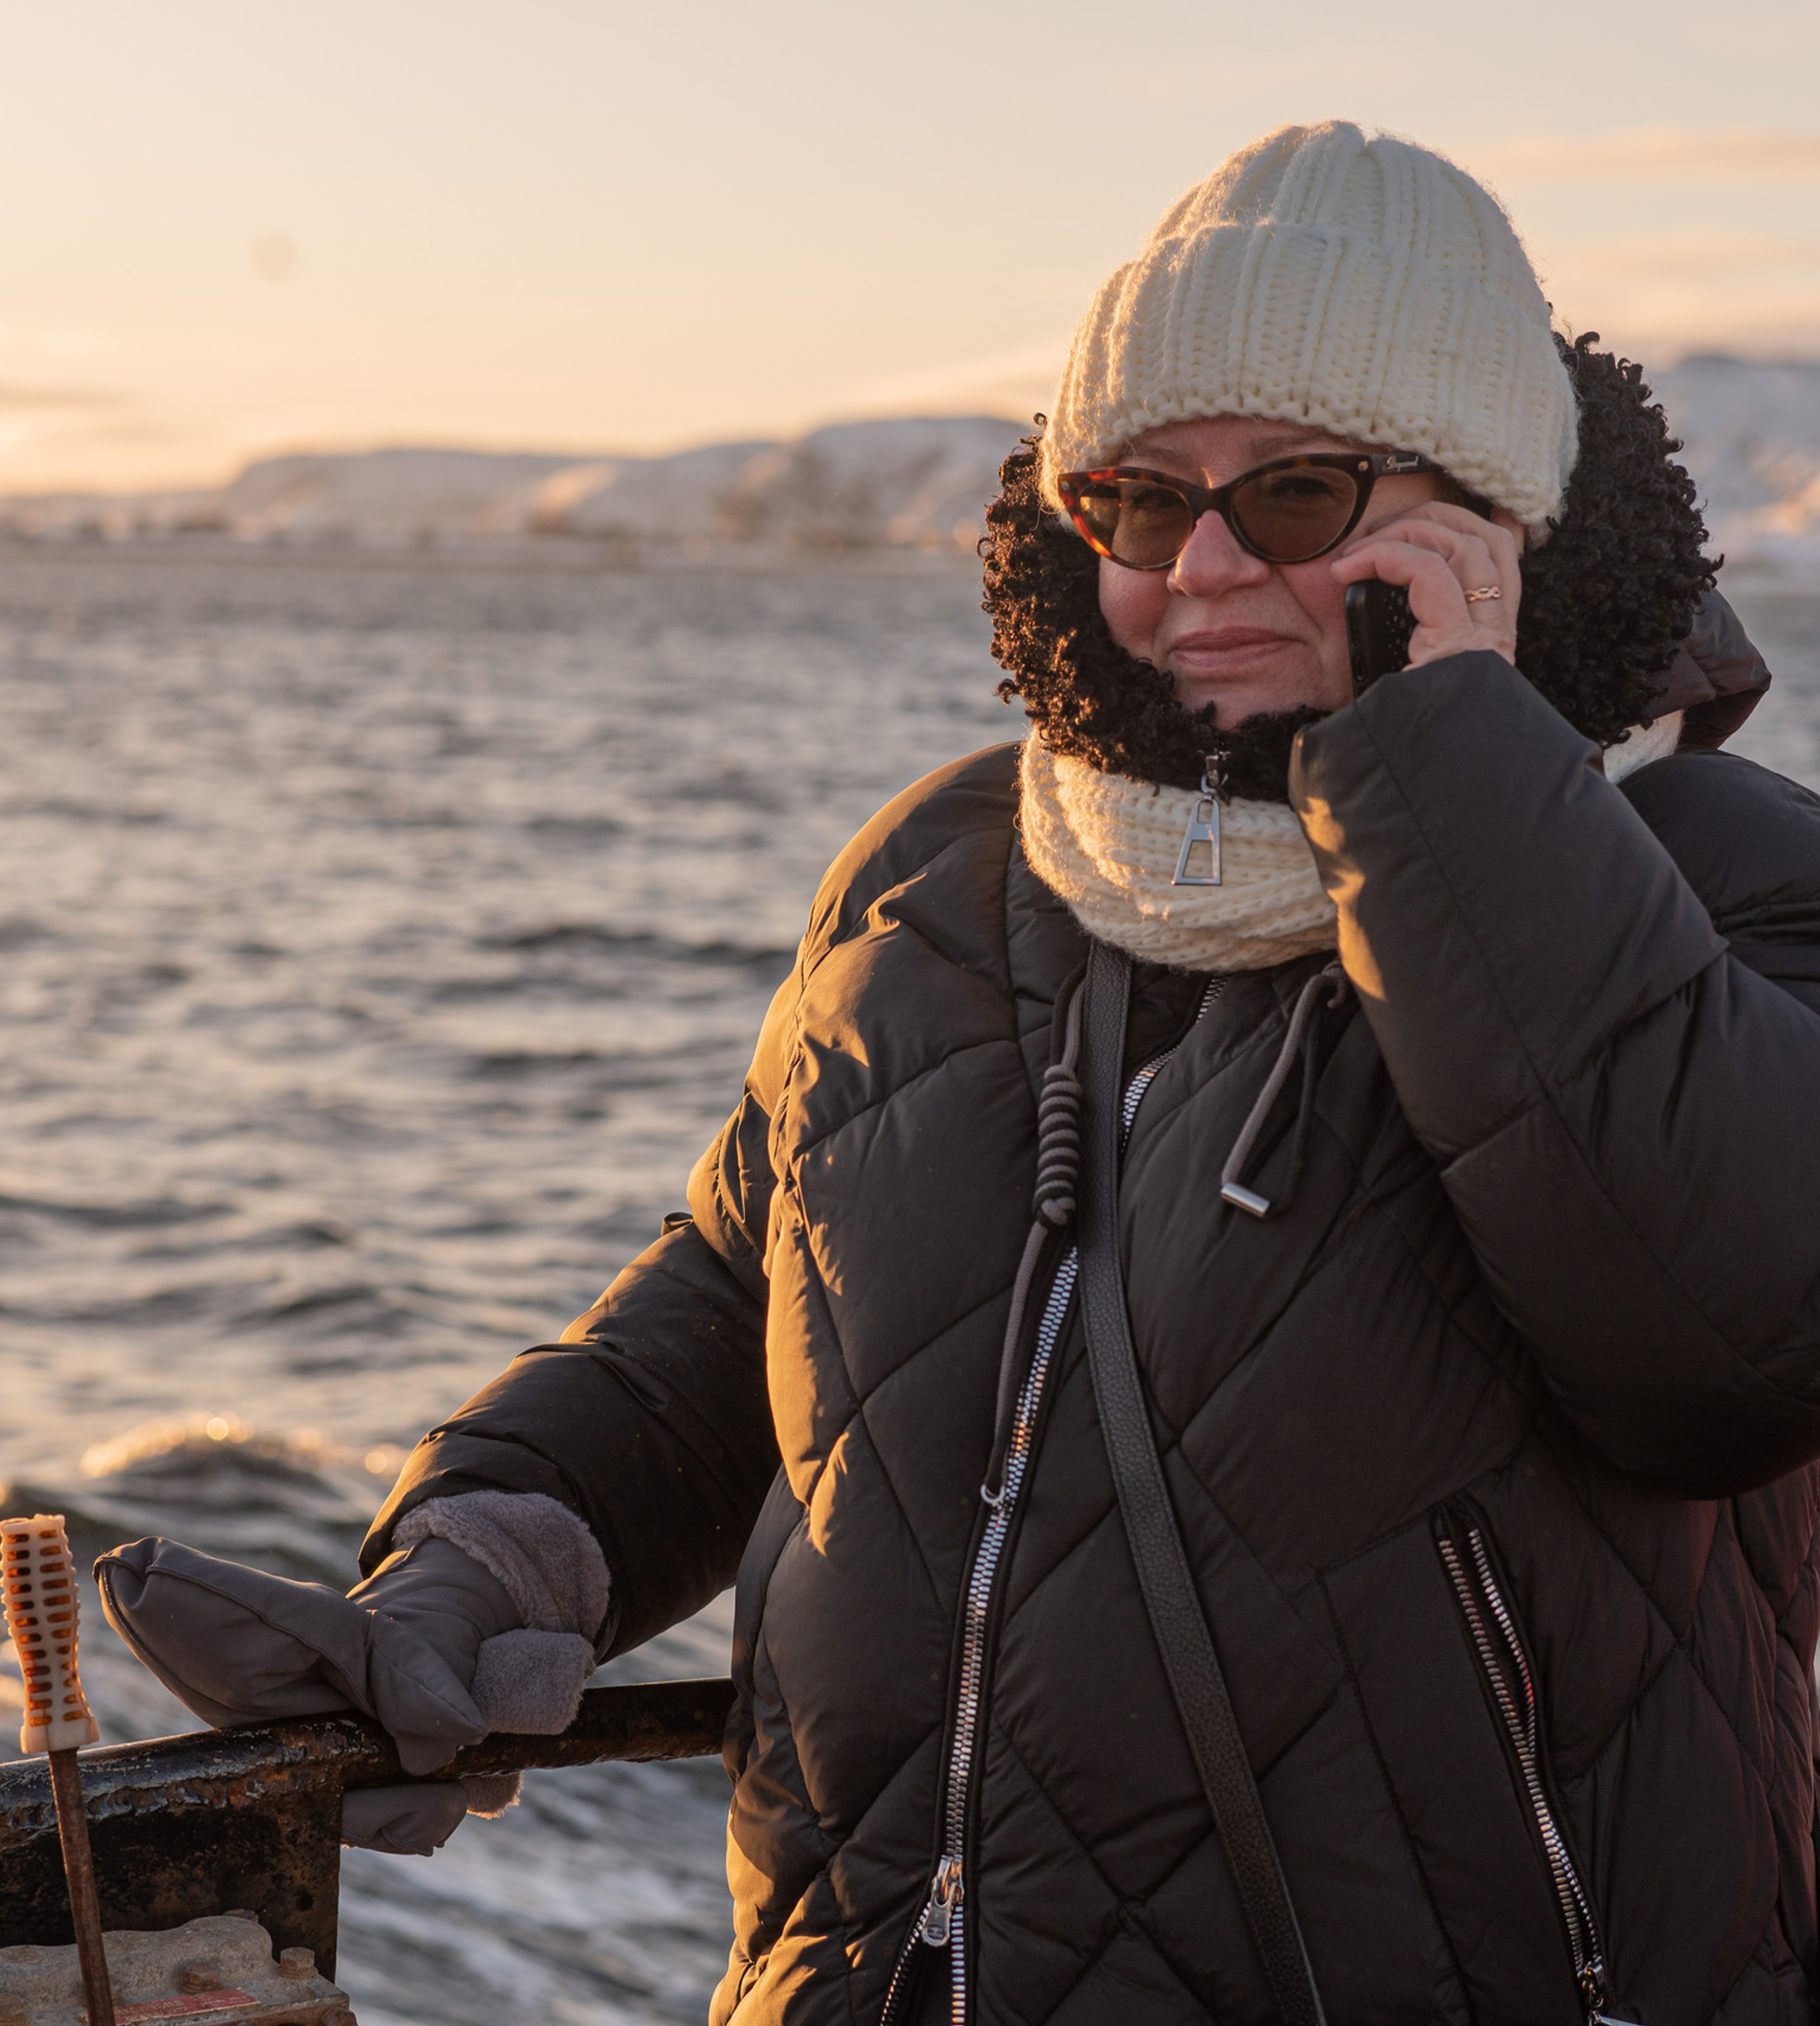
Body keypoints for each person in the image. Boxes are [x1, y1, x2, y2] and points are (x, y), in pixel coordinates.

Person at [100, 121, 1820, 2024]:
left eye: (1305, 495)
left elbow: (1729, 1339)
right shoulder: (944, 881)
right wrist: (486, 1552)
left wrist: (1436, 750)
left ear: (1491, 511)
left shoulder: (1705, 877)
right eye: (1139, 506)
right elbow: (730, 1316)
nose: (1206, 567)